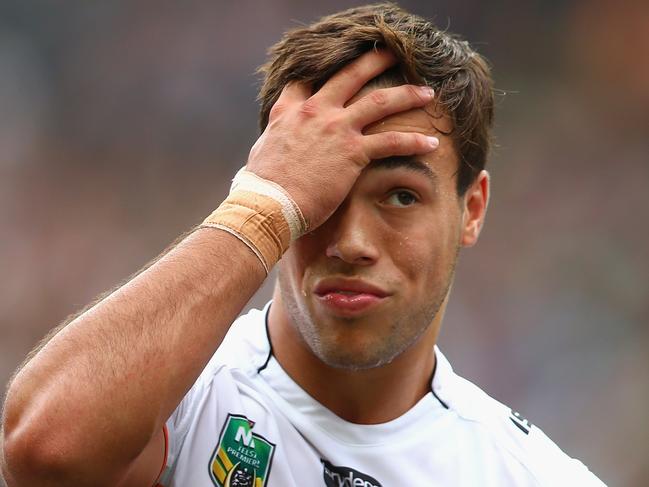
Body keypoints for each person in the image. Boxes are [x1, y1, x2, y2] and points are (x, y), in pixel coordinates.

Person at [1, 4, 605, 486]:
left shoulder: (530, 475)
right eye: (319, 196)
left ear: (471, 209)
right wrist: (261, 211)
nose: (352, 243)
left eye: (400, 197)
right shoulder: (179, 404)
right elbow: (43, 455)